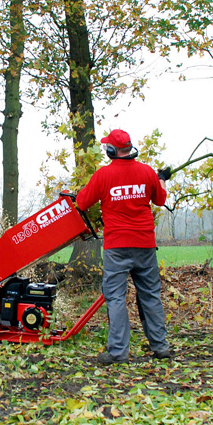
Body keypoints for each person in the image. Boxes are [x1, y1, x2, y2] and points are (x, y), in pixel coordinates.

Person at [76, 129, 171, 365]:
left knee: (116, 298)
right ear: (130, 149)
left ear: (112, 151)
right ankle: (160, 347)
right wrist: (161, 179)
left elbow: (82, 202)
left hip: (117, 247)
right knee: (150, 296)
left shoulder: (103, 176)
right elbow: (160, 200)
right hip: (145, 245)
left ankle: (118, 352)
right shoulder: (147, 172)